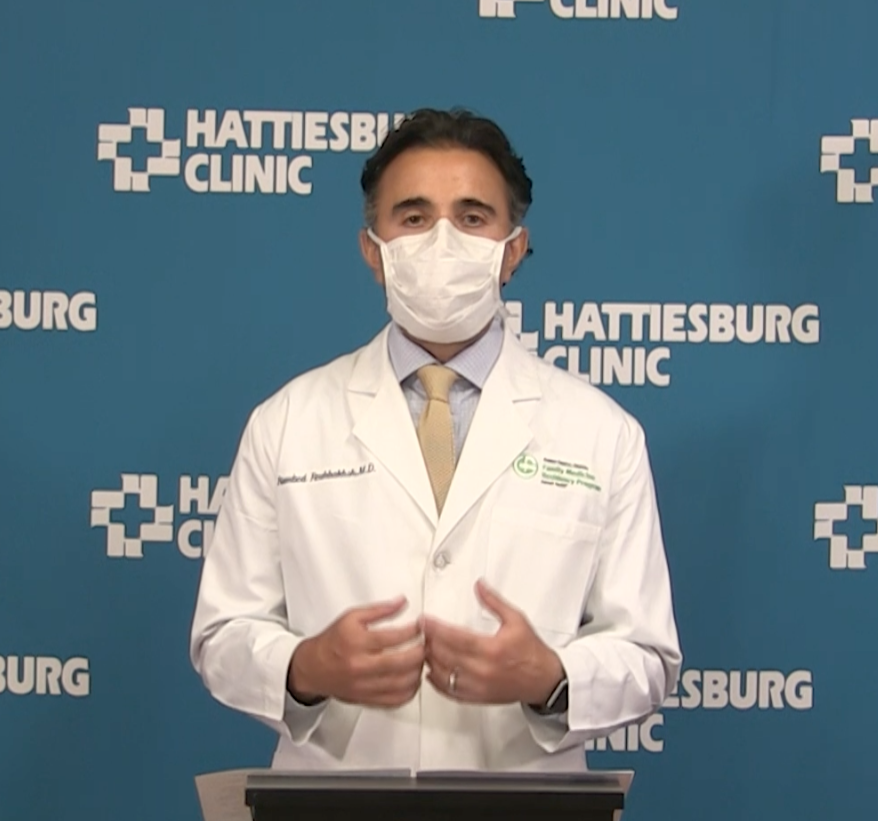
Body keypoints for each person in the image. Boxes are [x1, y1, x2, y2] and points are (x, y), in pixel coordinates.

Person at [189, 108, 681, 772]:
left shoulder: (601, 433)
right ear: (374, 250)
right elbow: (223, 634)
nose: (442, 241)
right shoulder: (287, 421)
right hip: (336, 802)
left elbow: (646, 655)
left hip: (522, 804)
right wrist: (305, 666)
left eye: (472, 218)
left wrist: (551, 677)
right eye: (414, 217)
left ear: (511, 251)